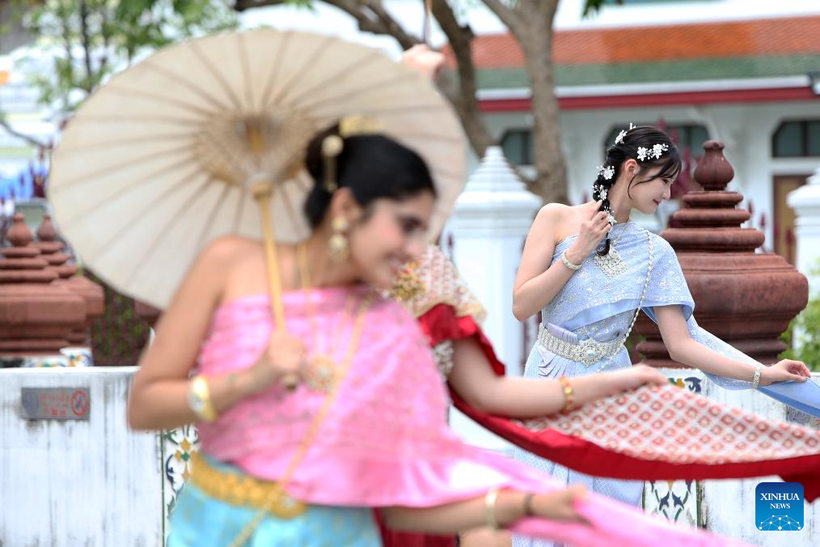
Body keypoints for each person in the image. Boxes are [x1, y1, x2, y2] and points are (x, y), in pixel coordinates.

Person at [128, 123, 727, 546]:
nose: (417, 248)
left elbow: (485, 399)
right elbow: (146, 402)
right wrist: (246, 382)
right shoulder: (231, 263)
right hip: (226, 525)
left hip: (345, 528)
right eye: (406, 226)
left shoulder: (409, 301)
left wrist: (614, 385)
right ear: (345, 209)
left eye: (425, 229)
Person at [510, 124, 811, 546]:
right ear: (631, 169)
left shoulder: (655, 253)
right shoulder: (555, 218)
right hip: (548, 380)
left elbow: (685, 341)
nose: (668, 194)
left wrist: (762, 373)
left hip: (611, 393)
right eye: (663, 182)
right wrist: (576, 254)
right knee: (542, 511)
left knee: (607, 519)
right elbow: (522, 306)